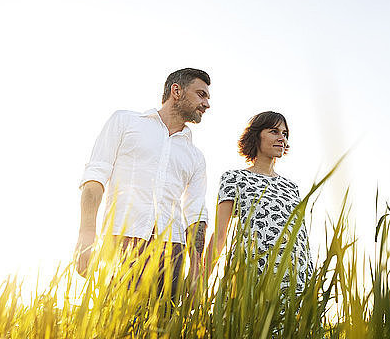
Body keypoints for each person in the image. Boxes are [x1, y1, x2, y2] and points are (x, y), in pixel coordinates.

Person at [74, 67, 211, 294]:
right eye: (201, 94)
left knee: (165, 327)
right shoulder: (125, 122)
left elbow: (195, 212)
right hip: (120, 241)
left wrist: (197, 268)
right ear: (176, 91)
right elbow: (95, 178)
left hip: (172, 252)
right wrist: (87, 234)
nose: (207, 104)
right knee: (113, 325)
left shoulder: (196, 156)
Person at [204, 111, 314, 293]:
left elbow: (301, 238)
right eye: (274, 131)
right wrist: (200, 281)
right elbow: (220, 232)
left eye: (284, 134)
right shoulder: (235, 178)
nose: (282, 138)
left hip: (296, 279)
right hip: (253, 276)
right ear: (256, 135)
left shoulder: (292, 187)